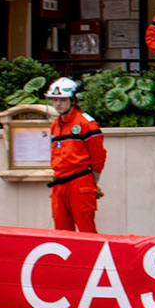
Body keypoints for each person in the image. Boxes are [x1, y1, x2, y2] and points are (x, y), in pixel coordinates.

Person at [45, 77, 106, 234]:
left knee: (86, 230)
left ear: (73, 100)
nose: (58, 104)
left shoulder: (86, 123)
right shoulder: (55, 125)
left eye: (63, 100)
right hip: (59, 183)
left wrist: (93, 181)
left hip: (80, 182)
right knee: (62, 233)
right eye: (55, 100)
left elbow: (98, 156)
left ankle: (92, 258)